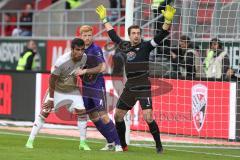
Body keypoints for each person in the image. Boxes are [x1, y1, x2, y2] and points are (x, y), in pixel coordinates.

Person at [96, 5, 176, 154]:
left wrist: (168, 21)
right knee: (118, 115)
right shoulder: (125, 46)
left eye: (138, 33)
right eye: (133, 33)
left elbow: (161, 34)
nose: (136, 35)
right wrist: (104, 19)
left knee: (148, 117)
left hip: (143, 86)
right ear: (129, 35)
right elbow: (113, 35)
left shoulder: (146, 46)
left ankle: (159, 146)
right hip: (130, 87)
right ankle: (124, 145)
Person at [25, 38, 91, 151]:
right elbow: (52, 80)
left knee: (82, 112)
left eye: (82, 50)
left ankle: (83, 143)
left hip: (72, 90)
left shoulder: (84, 57)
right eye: (77, 50)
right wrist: (51, 98)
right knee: (44, 113)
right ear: (72, 49)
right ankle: (30, 141)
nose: (80, 52)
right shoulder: (62, 61)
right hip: (57, 90)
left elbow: (78, 72)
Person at [76, 25, 122, 152]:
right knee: (92, 116)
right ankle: (110, 142)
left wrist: (84, 71)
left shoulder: (95, 49)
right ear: (80, 36)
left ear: (92, 36)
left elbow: (102, 68)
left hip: (97, 85)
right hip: (86, 87)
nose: (87, 38)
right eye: (84, 35)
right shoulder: (79, 50)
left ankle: (119, 144)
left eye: (89, 35)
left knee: (103, 115)